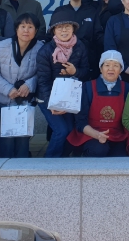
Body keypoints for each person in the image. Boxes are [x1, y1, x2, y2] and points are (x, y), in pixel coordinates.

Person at [0, 12, 44, 158]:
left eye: (30, 27)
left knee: (23, 136)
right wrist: (8, 89)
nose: (26, 30)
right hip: (2, 97)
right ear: (16, 29)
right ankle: (5, 166)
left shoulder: (41, 48)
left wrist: (30, 84)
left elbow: (43, 73)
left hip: (25, 98)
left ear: (36, 30)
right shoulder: (2, 46)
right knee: (7, 137)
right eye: (22, 26)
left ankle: (22, 166)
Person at [36, 8, 90, 158]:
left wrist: (75, 71)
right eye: (59, 27)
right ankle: (49, 162)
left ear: (73, 29)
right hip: (46, 98)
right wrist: (52, 104)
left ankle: (62, 161)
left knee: (71, 130)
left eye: (67, 26)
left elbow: (86, 72)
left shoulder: (80, 46)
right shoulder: (46, 51)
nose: (64, 30)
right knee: (61, 130)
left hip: (69, 97)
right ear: (53, 30)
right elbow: (43, 82)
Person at [67, 50, 129, 157]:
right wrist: (97, 135)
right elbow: (80, 122)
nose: (111, 68)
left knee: (121, 157)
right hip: (91, 134)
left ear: (120, 70)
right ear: (101, 69)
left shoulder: (126, 88)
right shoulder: (87, 87)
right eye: (107, 65)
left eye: (116, 65)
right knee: (99, 150)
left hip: (116, 135)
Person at [52, 0, 104, 79]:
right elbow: (51, 35)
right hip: (63, 61)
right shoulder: (60, 11)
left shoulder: (91, 11)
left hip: (87, 61)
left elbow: (98, 35)